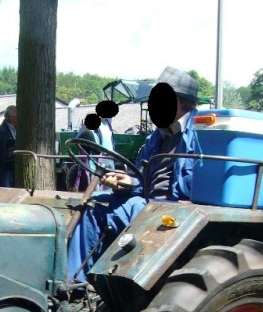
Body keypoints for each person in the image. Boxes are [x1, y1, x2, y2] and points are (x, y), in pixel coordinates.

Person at [67, 67, 199, 283]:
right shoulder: (157, 137)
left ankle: (78, 283)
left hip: (176, 208)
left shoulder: (201, 132)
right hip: (148, 202)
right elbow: (141, 174)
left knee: (112, 209)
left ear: (179, 102)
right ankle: (78, 283)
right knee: (94, 204)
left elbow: (197, 182)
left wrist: (137, 188)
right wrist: (127, 182)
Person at [0, 105, 17, 188]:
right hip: (5, 171)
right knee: (6, 195)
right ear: (11, 118)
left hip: (16, 169)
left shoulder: (19, 130)